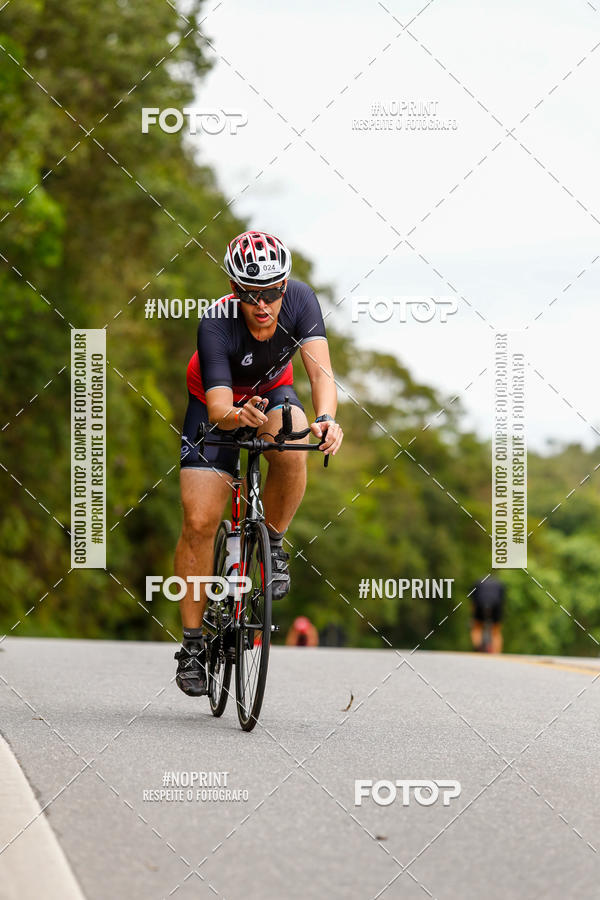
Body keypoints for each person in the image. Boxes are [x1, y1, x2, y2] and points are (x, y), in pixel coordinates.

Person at [173, 230, 343, 695]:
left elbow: (320, 374)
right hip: (213, 404)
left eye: (271, 292)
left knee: (293, 429)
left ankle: (273, 542)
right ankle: (193, 645)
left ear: (285, 285)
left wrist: (326, 419)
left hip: (271, 393)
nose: (263, 304)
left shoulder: (301, 300)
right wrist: (235, 416)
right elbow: (219, 408)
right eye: (251, 294)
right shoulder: (216, 321)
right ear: (234, 289)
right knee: (199, 520)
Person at [470, 575, 505, 654]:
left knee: (477, 627)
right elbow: (502, 601)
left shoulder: (477, 582)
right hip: (496, 605)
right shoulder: (499, 584)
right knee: (496, 631)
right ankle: (496, 653)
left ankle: (478, 648)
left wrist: (473, 615)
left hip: (480, 604)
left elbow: (473, 602)